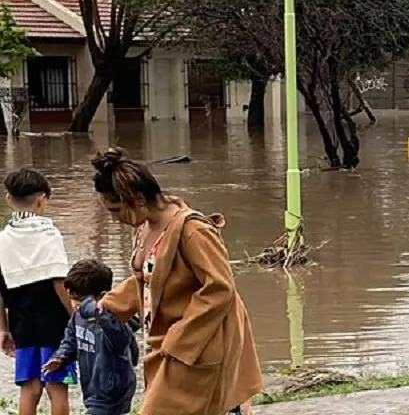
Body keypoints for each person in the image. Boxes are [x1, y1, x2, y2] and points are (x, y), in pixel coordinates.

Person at [91, 148, 262, 415]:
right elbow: (150, 279)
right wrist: (112, 303)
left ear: (137, 199)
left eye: (115, 209)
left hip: (197, 345)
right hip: (167, 344)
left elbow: (220, 288)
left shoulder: (193, 230)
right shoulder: (144, 226)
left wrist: (179, 338)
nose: (114, 218)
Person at [0, 168, 75, 415]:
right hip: (54, 322)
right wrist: (75, 316)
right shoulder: (49, 234)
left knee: (29, 388)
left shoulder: (3, 239)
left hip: (22, 322)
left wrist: (3, 327)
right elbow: (58, 282)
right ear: (42, 200)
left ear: (8, 199)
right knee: (57, 386)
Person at [43, 259, 139, 415]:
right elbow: (70, 340)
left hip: (112, 392)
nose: (75, 305)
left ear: (102, 296)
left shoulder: (113, 322)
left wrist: (95, 310)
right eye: (72, 299)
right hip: (92, 388)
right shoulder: (78, 318)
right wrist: (60, 357)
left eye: (80, 301)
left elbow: (123, 341)